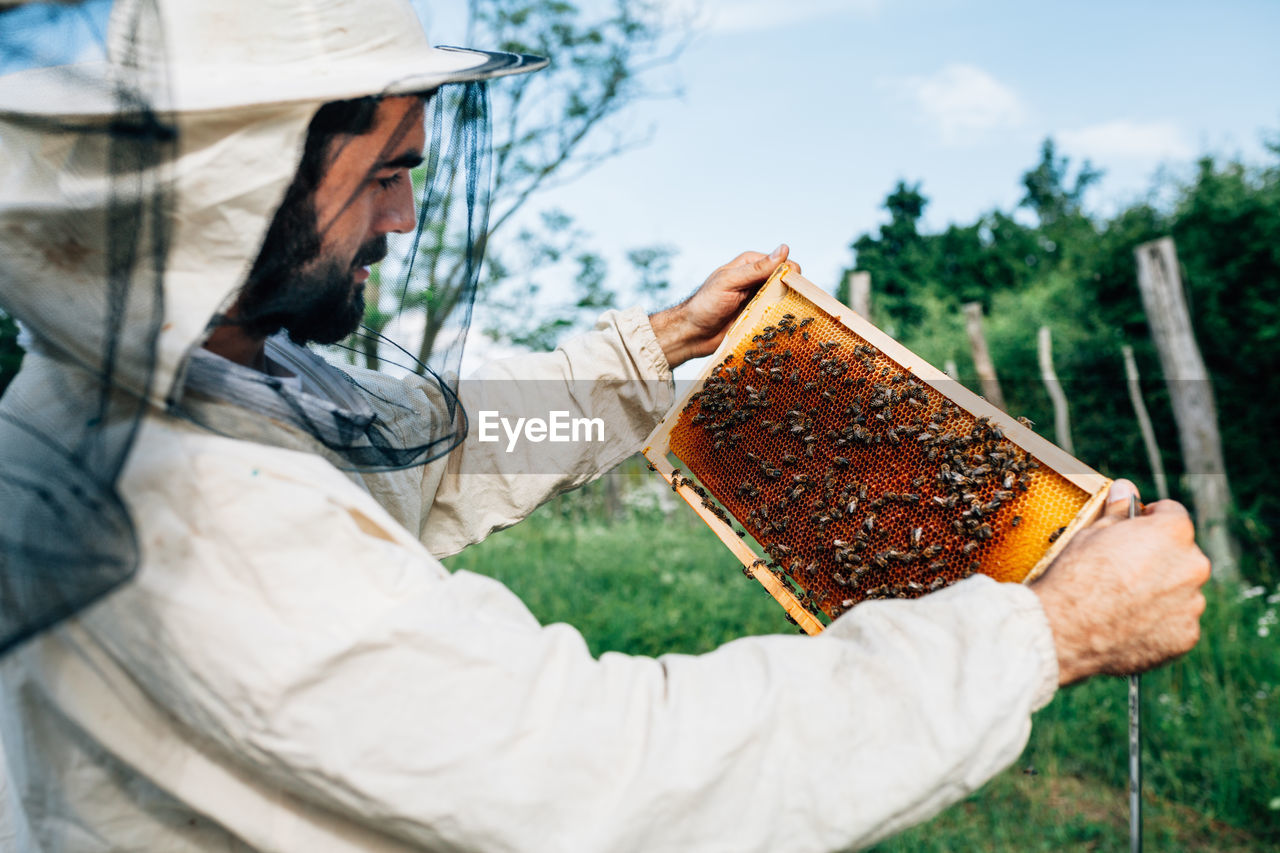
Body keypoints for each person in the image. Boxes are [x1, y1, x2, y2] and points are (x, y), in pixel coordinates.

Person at [0, 2, 1209, 851]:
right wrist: (1042, 632)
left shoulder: (184, 380)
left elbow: (433, 448)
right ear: (234, 178)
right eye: (383, 172)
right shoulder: (184, 510)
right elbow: (610, 776)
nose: (409, 215)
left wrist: (651, 351)